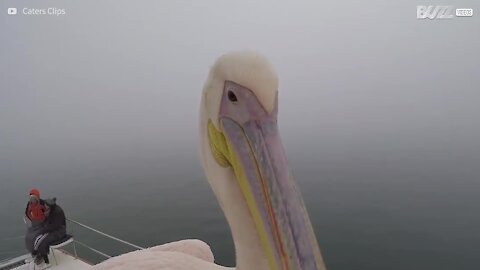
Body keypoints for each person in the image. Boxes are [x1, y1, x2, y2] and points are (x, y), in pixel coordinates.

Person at [27, 197, 67, 270]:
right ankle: (37, 255)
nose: (44, 206)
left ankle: (46, 262)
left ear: (50, 206)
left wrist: (42, 230)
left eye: (46, 206)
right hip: (51, 229)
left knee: (42, 241)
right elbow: (41, 201)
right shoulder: (50, 209)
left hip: (59, 232)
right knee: (34, 237)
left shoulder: (57, 212)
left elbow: (54, 226)